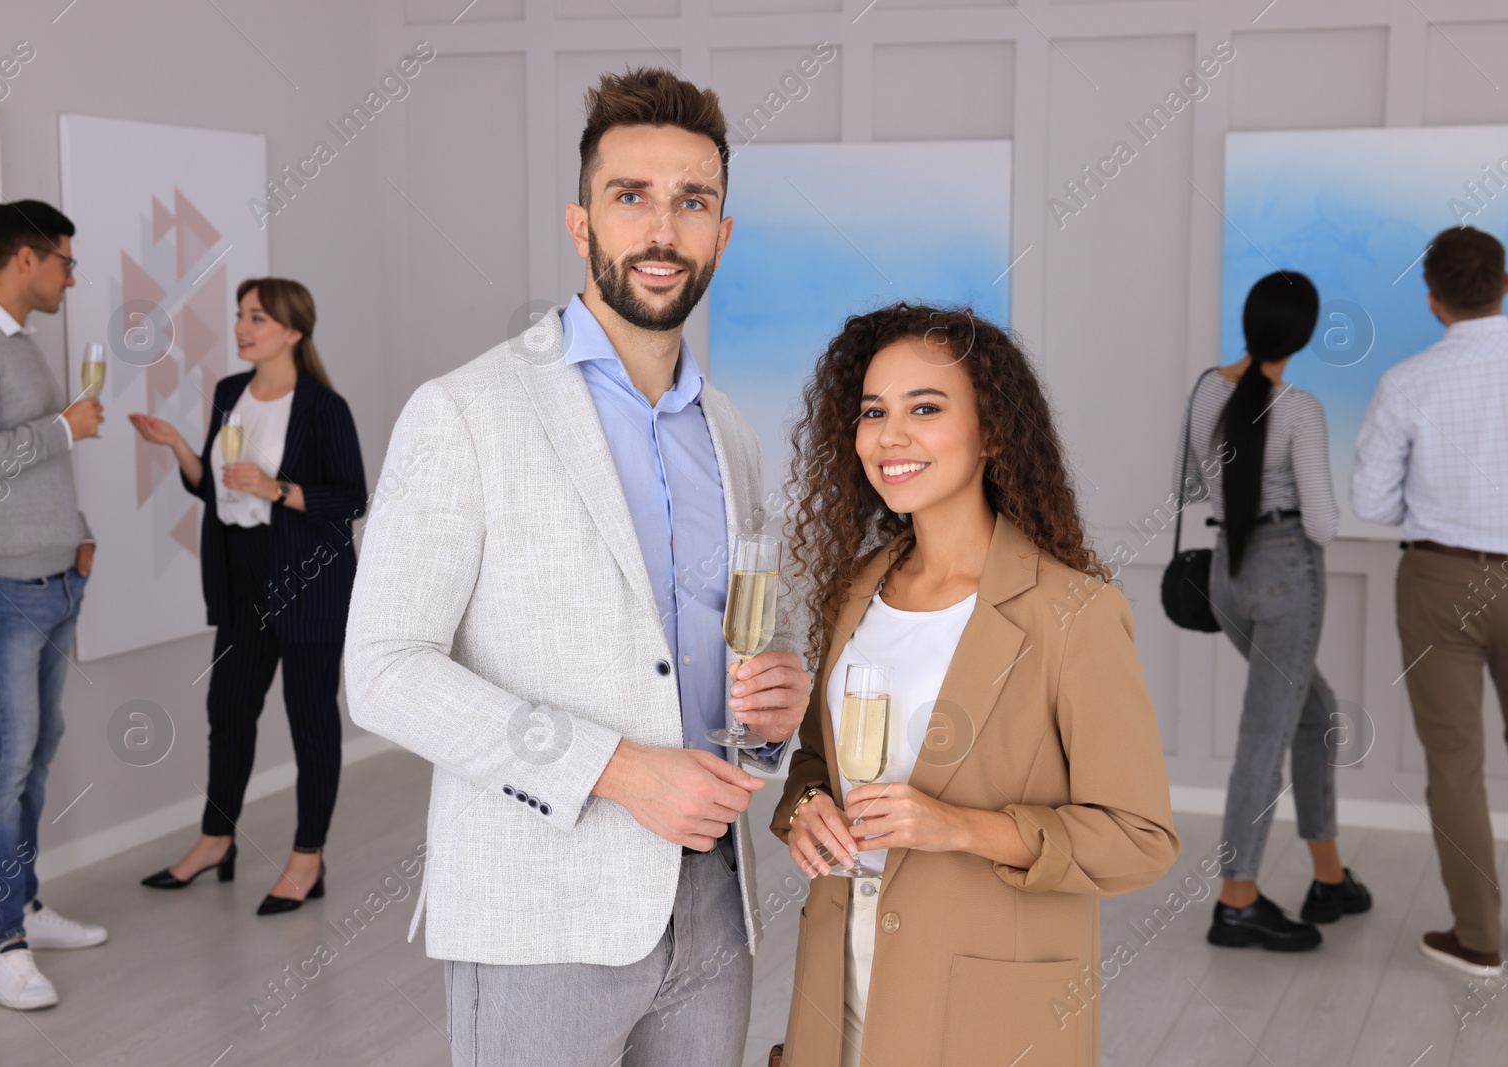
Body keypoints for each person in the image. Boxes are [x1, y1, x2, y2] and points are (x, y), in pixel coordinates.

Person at [344, 67, 812, 1067]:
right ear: (580, 222)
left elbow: (741, 642)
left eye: (692, 202)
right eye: (629, 196)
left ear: (721, 235)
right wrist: (619, 768)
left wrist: (773, 704)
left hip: (714, 909)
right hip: (536, 915)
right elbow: (382, 669)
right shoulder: (464, 411)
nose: (660, 229)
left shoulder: (728, 431)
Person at [773, 303, 1179, 1066]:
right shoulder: (856, 591)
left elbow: (1140, 838)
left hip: (985, 1016)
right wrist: (803, 808)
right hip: (838, 989)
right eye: (873, 411)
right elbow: (816, 763)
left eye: (925, 408)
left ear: (992, 430)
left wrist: (956, 827)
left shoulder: (1072, 614)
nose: (891, 436)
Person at [130, 278, 365, 915]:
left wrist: (278, 488)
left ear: (291, 331)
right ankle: (215, 842)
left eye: (257, 317)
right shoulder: (230, 393)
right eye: (240, 315)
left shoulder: (324, 408)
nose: (242, 327)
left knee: (310, 722)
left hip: (307, 579)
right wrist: (179, 447)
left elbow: (353, 499)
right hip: (241, 576)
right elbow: (218, 490)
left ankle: (307, 857)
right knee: (227, 712)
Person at [1353, 226, 1508, 978]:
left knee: (1454, 762)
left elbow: (1370, 500)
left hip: (1439, 580)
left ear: (1434, 302)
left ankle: (1477, 938)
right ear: (1506, 285)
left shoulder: (1406, 381)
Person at [0, 200, 108, 1010]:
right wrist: (66, 429)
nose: (71, 277)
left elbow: (37, 467)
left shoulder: (18, 343)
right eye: (65, 263)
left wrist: (75, 533)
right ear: (26, 258)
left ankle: (24, 906)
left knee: (34, 758)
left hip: (52, 579)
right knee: (3, 764)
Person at [1174, 271, 1369, 953]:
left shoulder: (1206, 387)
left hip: (1228, 573)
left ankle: (1329, 875)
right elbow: (1320, 522)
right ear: (1305, 335)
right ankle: (1237, 899)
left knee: (1313, 710)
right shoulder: (1302, 409)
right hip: (1285, 571)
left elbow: (1194, 483)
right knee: (1266, 733)